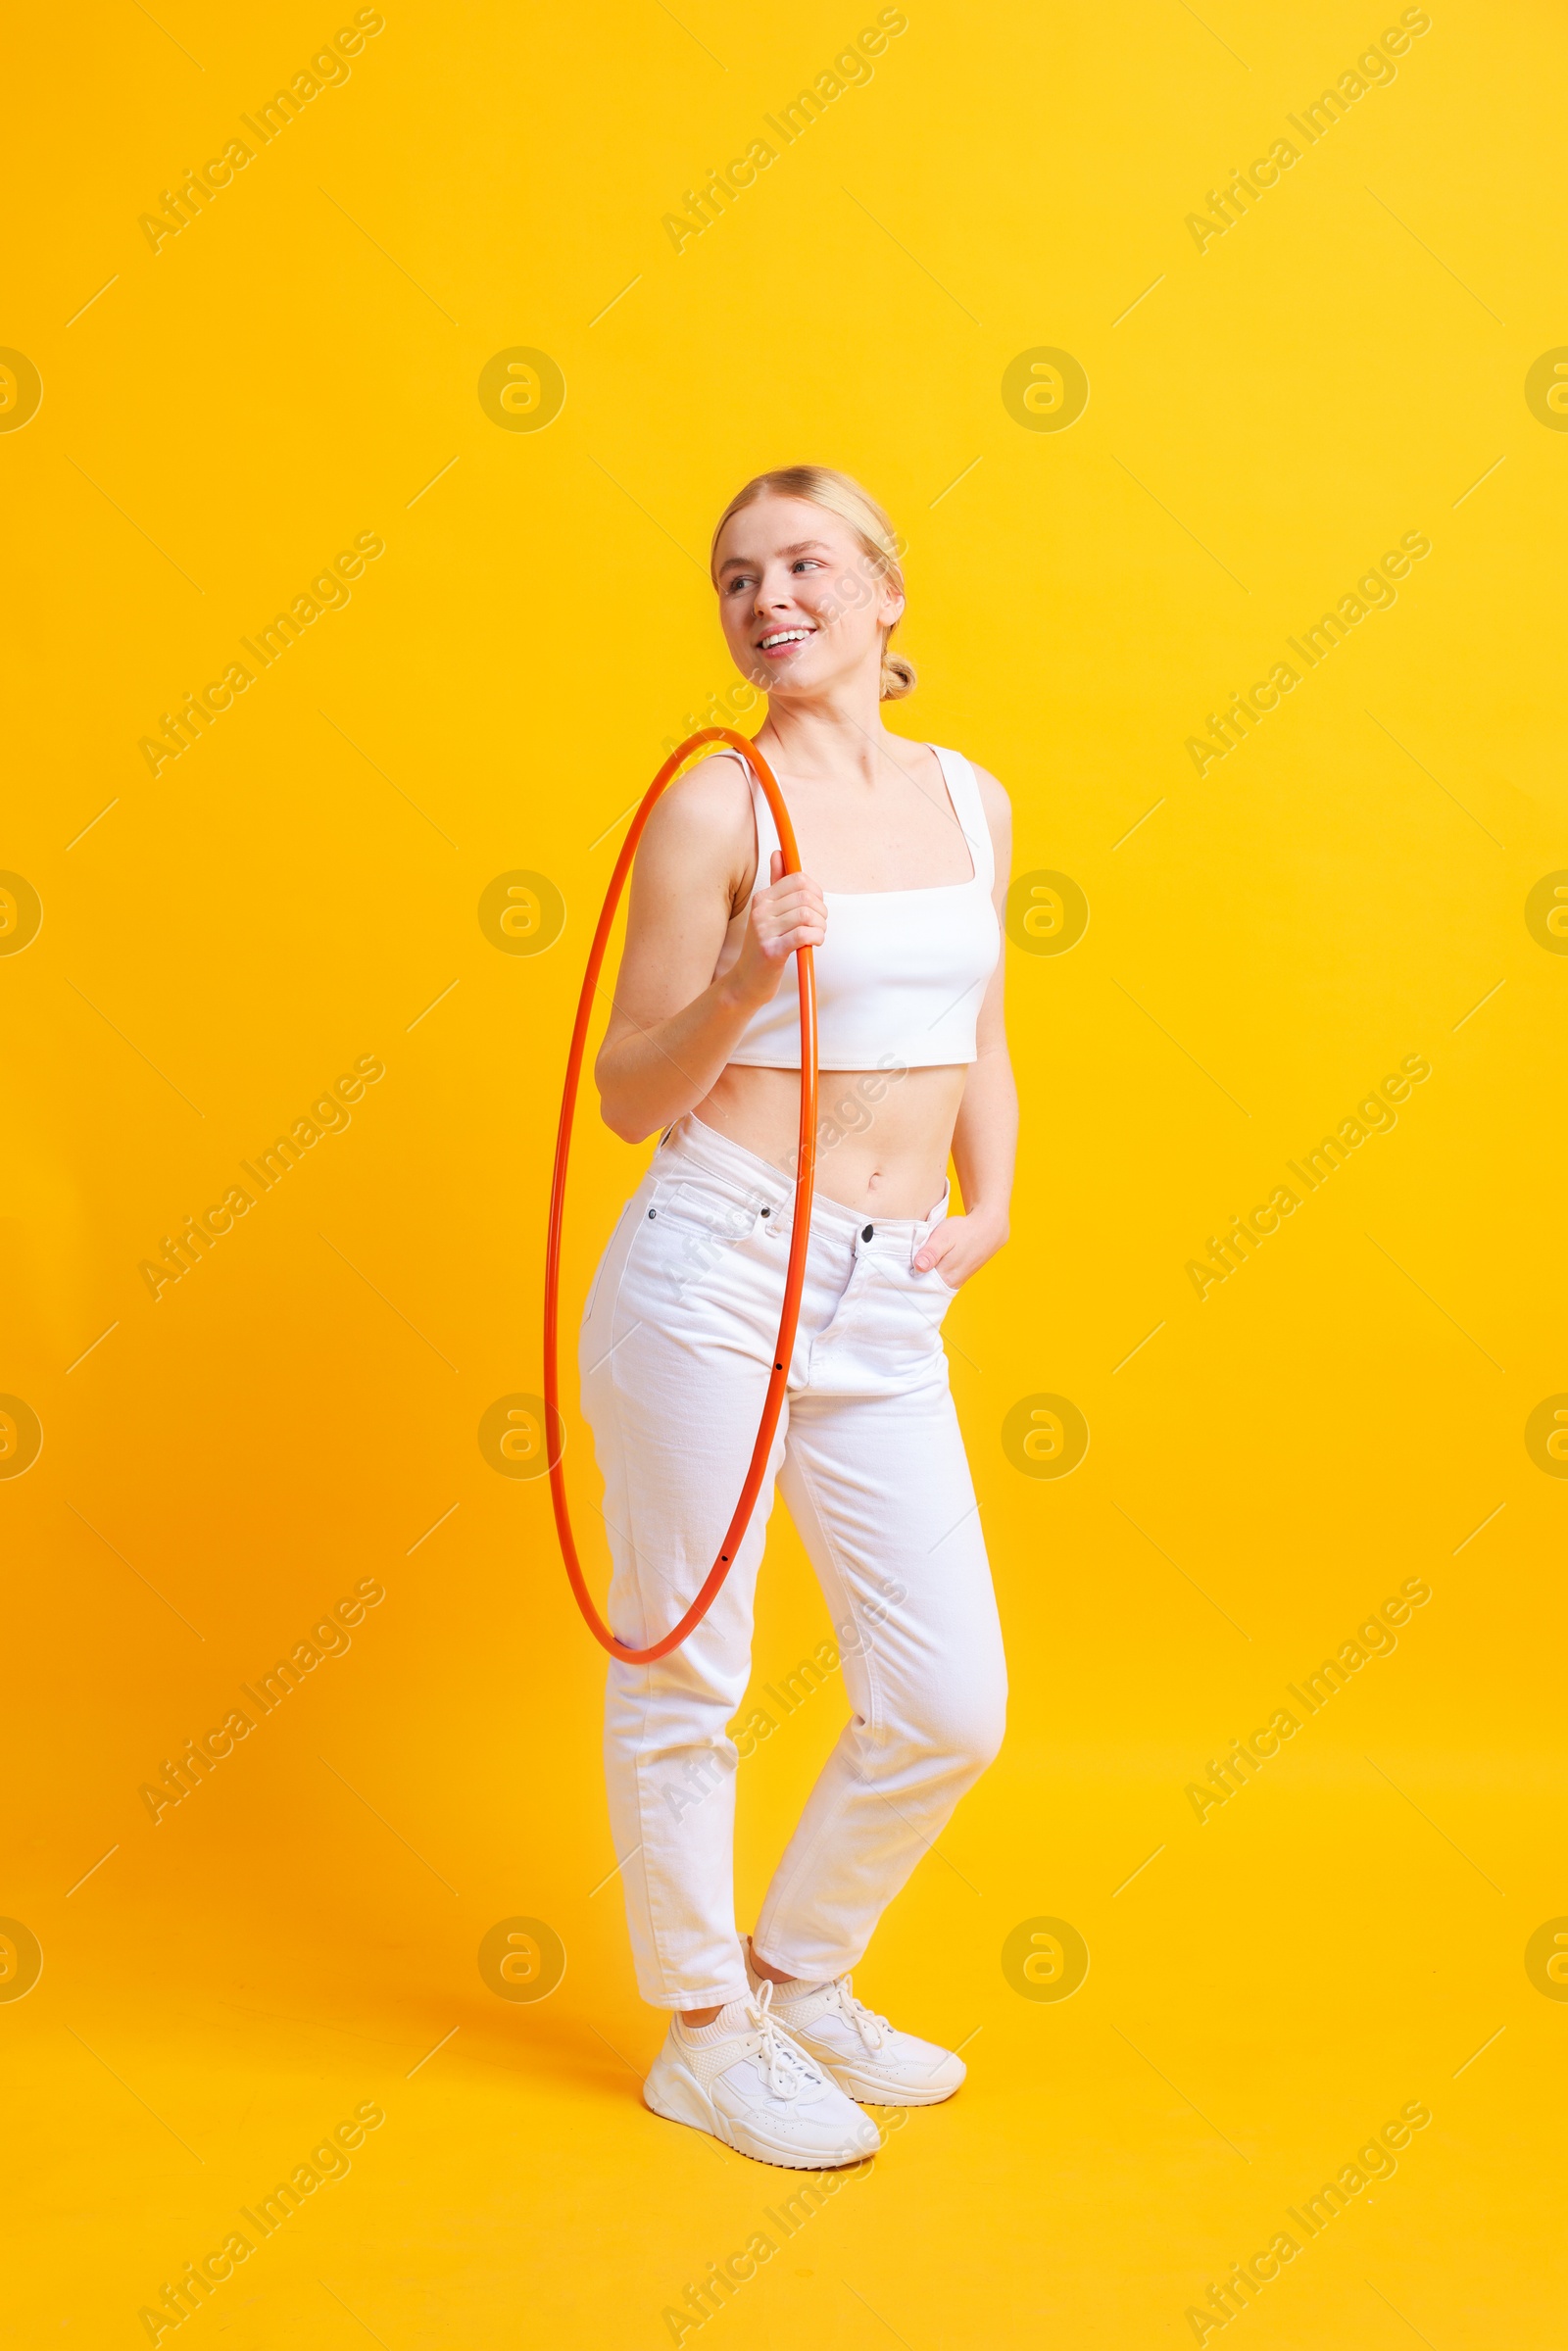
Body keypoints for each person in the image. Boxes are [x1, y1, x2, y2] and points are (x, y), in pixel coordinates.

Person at [582, 465, 1015, 2168]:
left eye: (806, 562)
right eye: (737, 576)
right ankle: (703, 2028)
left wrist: (993, 1207)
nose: (771, 597)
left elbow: (981, 1030)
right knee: (691, 1667)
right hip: (717, 1268)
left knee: (948, 1703)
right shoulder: (719, 808)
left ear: (888, 589)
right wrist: (748, 978)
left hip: (888, 1292)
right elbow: (628, 1091)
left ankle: (799, 1979)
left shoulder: (972, 799)